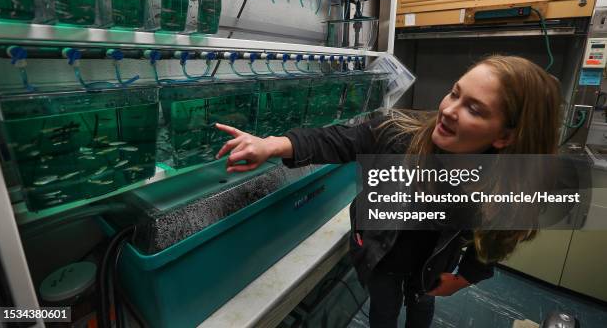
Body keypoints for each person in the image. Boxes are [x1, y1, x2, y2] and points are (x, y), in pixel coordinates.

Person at [214, 55, 562, 328]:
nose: (448, 111)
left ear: (503, 137)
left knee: (422, 305)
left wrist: (466, 277)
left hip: (431, 266)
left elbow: (498, 238)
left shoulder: (500, 184)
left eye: (474, 108)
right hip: (381, 258)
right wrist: (274, 144)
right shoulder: (398, 132)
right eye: (455, 93)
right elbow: (338, 140)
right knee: (383, 312)